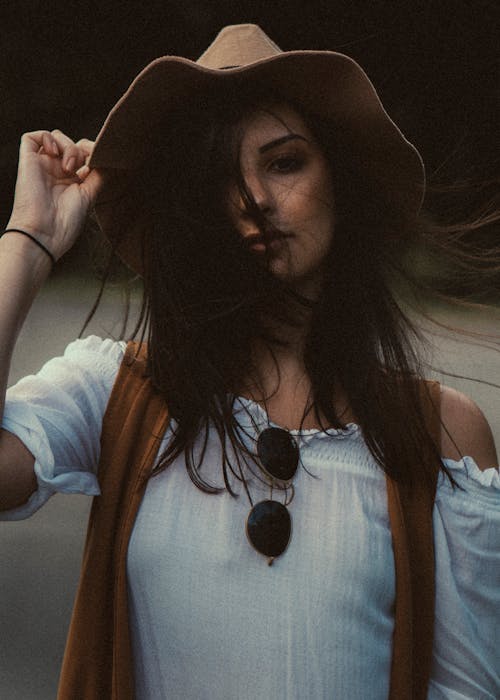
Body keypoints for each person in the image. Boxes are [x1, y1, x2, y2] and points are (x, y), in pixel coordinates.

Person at [0, 23, 499, 700]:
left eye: (285, 161)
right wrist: (28, 241)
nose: (254, 198)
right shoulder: (118, 392)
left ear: (340, 181)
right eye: (218, 178)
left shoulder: (440, 436)